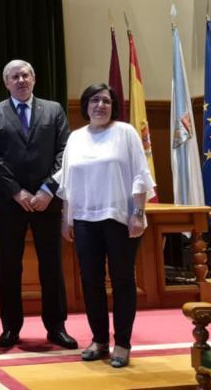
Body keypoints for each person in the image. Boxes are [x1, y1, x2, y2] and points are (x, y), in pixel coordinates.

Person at [56, 83, 155, 368]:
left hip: (120, 219)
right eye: (95, 101)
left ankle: (122, 343)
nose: (100, 105)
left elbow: (140, 175)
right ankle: (99, 340)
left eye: (106, 101)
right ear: (85, 105)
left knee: (123, 281)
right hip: (85, 219)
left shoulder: (125, 133)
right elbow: (68, 183)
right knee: (90, 282)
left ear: (113, 106)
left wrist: (138, 213)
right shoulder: (75, 138)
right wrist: (67, 218)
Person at [0, 59, 77, 349]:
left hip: (47, 202)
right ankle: (11, 328)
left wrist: (48, 189)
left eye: (25, 75)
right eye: (14, 76)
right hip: (12, 203)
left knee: (51, 266)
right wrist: (17, 192)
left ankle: (56, 327)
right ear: (6, 82)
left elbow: (65, 151)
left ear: (34, 79)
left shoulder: (54, 110)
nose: (20, 80)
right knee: (10, 267)